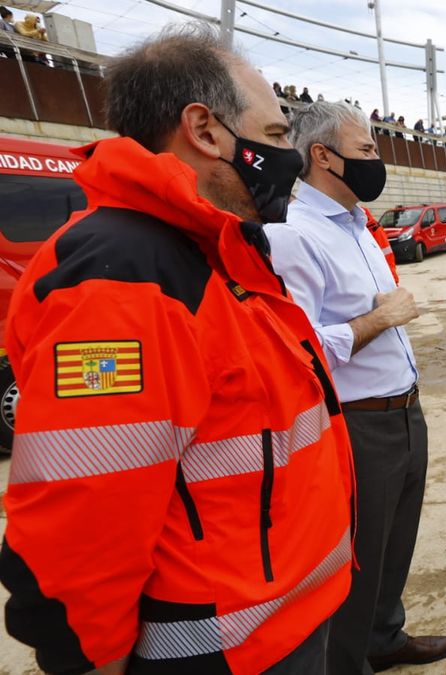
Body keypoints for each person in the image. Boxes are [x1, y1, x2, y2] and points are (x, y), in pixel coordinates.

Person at [0, 24, 355, 674]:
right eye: (276, 136)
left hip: (284, 623)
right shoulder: (124, 276)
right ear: (206, 130)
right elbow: (84, 524)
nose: (293, 157)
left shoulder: (220, 248)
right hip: (225, 652)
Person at [264, 101, 446, 673]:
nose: (377, 161)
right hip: (357, 425)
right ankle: (351, 660)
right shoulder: (295, 236)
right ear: (323, 156)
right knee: (357, 559)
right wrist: (379, 319)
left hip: (404, 412)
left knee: (395, 545)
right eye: (366, 150)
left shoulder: (359, 229)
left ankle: (384, 636)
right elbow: (297, 351)